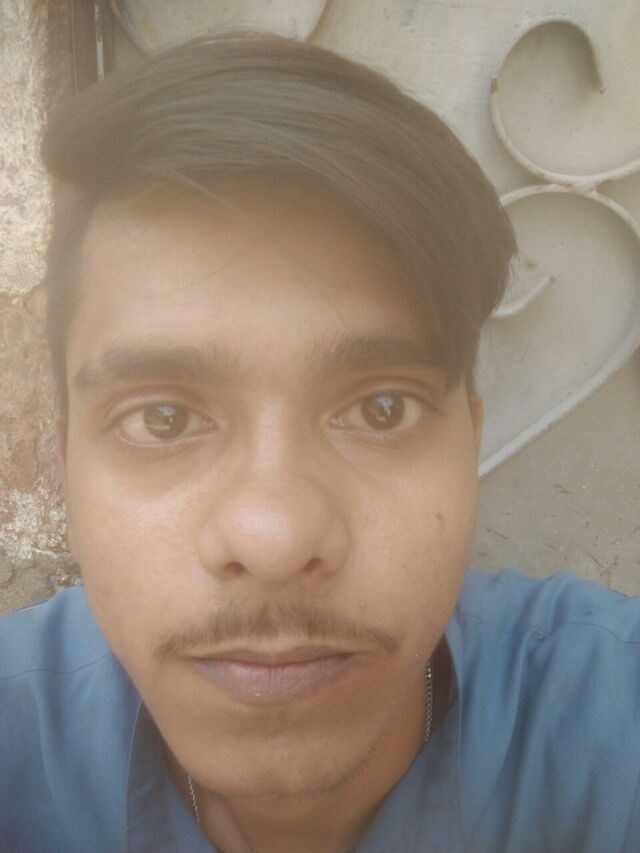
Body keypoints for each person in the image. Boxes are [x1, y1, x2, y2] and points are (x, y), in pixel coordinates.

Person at [1, 32, 638, 853]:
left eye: (381, 408)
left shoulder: (607, 730)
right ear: (65, 462)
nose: (273, 539)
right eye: (162, 419)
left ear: (469, 444)